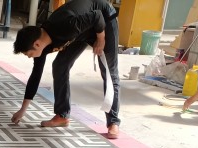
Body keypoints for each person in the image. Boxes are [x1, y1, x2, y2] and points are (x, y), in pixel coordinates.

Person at [11, 0, 121, 138]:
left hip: (103, 19)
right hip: (81, 30)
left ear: (36, 44)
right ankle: (62, 115)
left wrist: (101, 39)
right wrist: (22, 110)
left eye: (28, 54)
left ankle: (113, 122)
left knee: (109, 71)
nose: (29, 57)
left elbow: (97, 16)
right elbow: (36, 75)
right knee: (60, 65)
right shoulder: (42, 46)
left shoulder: (64, 26)